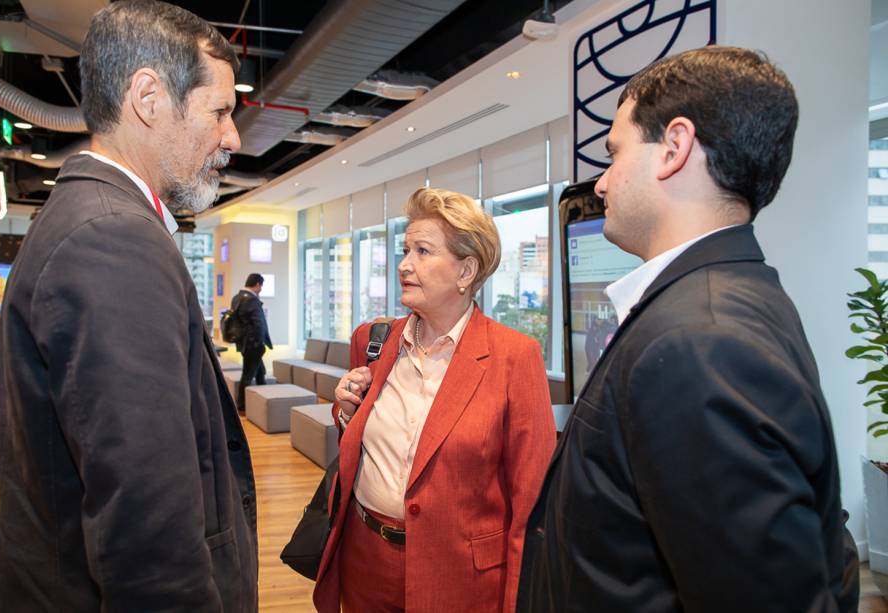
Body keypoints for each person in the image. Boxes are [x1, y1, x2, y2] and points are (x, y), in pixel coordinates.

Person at [516, 46, 858, 613]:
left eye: (615, 153)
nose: (600, 185)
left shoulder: (700, 341)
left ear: (674, 147)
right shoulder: (731, 297)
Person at [0, 2, 258, 611]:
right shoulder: (113, 240)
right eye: (219, 112)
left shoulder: (91, 219)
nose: (233, 136)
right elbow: (145, 523)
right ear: (149, 97)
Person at [312, 187, 556, 613]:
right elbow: (365, 440)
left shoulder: (515, 357)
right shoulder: (374, 342)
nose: (405, 265)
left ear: (466, 271)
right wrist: (346, 412)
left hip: (460, 578)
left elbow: (531, 504)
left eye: (423, 251)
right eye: (406, 250)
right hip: (365, 559)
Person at [232, 273, 273, 412]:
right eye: (261, 286)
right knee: (248, 375)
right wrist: (259, 344)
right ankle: (241, 406)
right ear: (257, 284)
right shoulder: (251, 300)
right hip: (253, 345)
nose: (261, 289)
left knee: (260, 372)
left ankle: (263, 401)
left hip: (244, 343)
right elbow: (258, 325)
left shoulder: (237, 297)